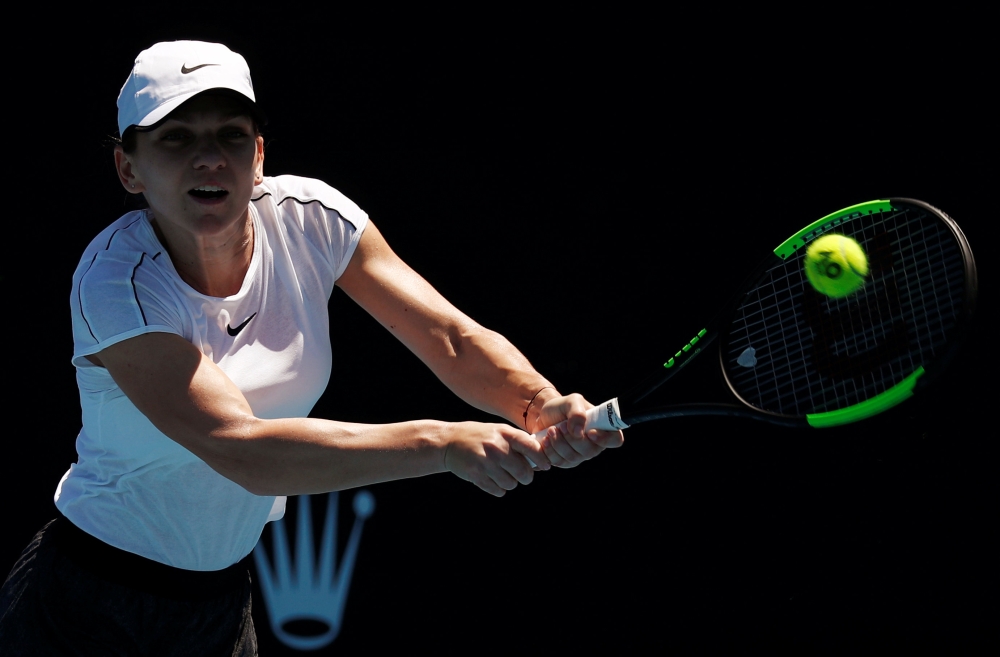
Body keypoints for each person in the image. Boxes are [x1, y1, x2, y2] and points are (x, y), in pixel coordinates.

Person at [0, 40, 623, 654]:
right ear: (127, 168)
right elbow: (241, 450)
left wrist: (537, 402)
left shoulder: (313, 220)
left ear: (259, 153)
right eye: (176, 138)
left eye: (231, 134)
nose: (210, 157)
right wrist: (442, 444)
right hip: (84, 607)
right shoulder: (117, 282)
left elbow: (452, 339)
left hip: (219, 606)